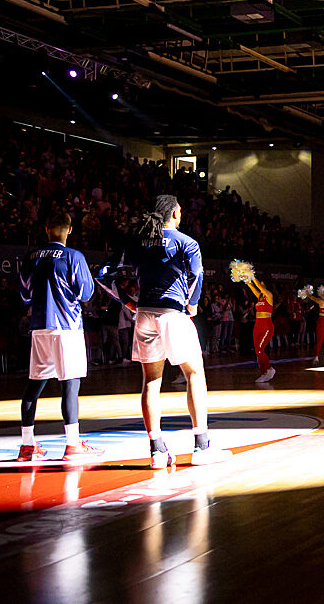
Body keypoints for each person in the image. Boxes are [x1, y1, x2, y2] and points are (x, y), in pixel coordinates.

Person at [114, 195, 229, 468]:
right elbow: (197, 276)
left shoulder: (137, 241)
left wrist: (128, 302)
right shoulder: (186, 242)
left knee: (151, 381)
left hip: (143, 315)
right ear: (175, 213)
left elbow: (105, 274)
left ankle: (157, 451)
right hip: (172, 313)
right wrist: (192, 304)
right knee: (194, 374)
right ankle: (201, 447)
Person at [16, 212, 102, 461]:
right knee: (70, 385)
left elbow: (24, 296)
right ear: (69, 230)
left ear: (46, 229)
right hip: (67, 326)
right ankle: (73, 445)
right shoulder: (74, 256)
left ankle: (28, 446)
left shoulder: (30, 257)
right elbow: (86, 293)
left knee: (33, 385)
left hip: (39, 326)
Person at [244, 275, 277, 383]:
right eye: (260, 283)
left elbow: (256, 284)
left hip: (267, 326)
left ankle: (269, 369)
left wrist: (252, 275)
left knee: (260, 349)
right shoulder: (259, 296)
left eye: (262, 284)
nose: (260, 285)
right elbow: (251, 285)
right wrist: (243, 275)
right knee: (257, 351)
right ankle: (263, 373)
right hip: (257, 325)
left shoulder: (269, 295)